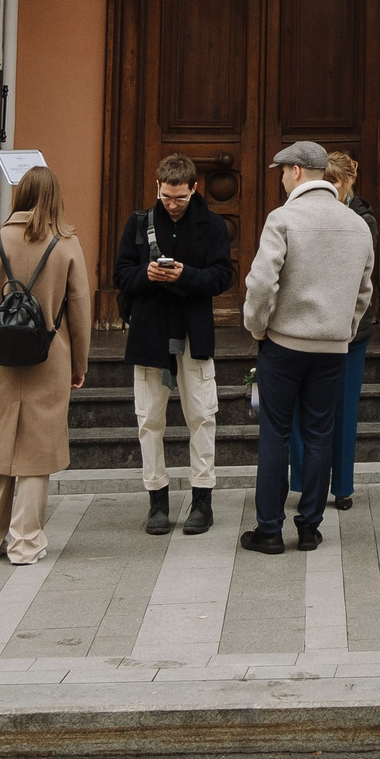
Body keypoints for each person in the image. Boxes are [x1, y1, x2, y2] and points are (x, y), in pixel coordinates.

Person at [239, 140, 374, 554]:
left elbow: (262, 283)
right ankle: (310, 527)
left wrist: (257, 328)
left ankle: (269, 529)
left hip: (284, 343)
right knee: (320, 433)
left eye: (282, 171)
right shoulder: (356, 224)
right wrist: (344, 330)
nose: (281, 179)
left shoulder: (283, 218)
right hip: (331, 346)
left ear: (296, 171)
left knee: (275, 434)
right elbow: (364, 290)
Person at [0, 166, 91, 565]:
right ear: (55, 198)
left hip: (0, 360)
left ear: (20, 195)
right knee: (36, 453)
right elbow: (80, 313)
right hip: (49, 358)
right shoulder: (66, 245)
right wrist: (78, 363)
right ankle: (25, 543)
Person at [112, 153, 234, 538]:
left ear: (194, 189)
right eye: (166, 196)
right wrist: (146, 274)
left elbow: (223, 277)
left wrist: (185, 275)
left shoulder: (212, 225)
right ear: (157, 187)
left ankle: (202, 500)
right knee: (149, 419)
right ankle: (157, 500)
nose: (172, 204)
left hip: (194, 334)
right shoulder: (139, 222)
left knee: (202, 415)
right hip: (150, 334)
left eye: (180, 197)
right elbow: (120, 275)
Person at [288, 151, 379, 514]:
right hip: (308, 327)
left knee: (343, 410)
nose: (325, 187)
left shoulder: (362, 220)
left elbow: (358, 276)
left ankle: (341, 486)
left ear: (345, 182)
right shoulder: (303, 213)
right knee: (299, 407)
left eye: (332, 181)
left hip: (348, 332)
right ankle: (304, 483)